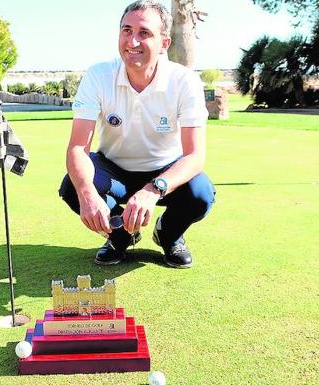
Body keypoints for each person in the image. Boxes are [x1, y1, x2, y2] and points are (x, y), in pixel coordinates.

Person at [58, 0, 215, 268]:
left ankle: (168, 234)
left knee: (200, 194)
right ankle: (120, 236)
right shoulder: (98, 75)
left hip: (164, 171)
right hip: (113, 169)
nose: (132, 41)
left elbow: (194, 156)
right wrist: (87, 194)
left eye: (144, 33)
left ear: (164, 43)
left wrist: (154, 190)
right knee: (73, 186)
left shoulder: (184, 81)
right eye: (126, 30)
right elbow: (77, 148)